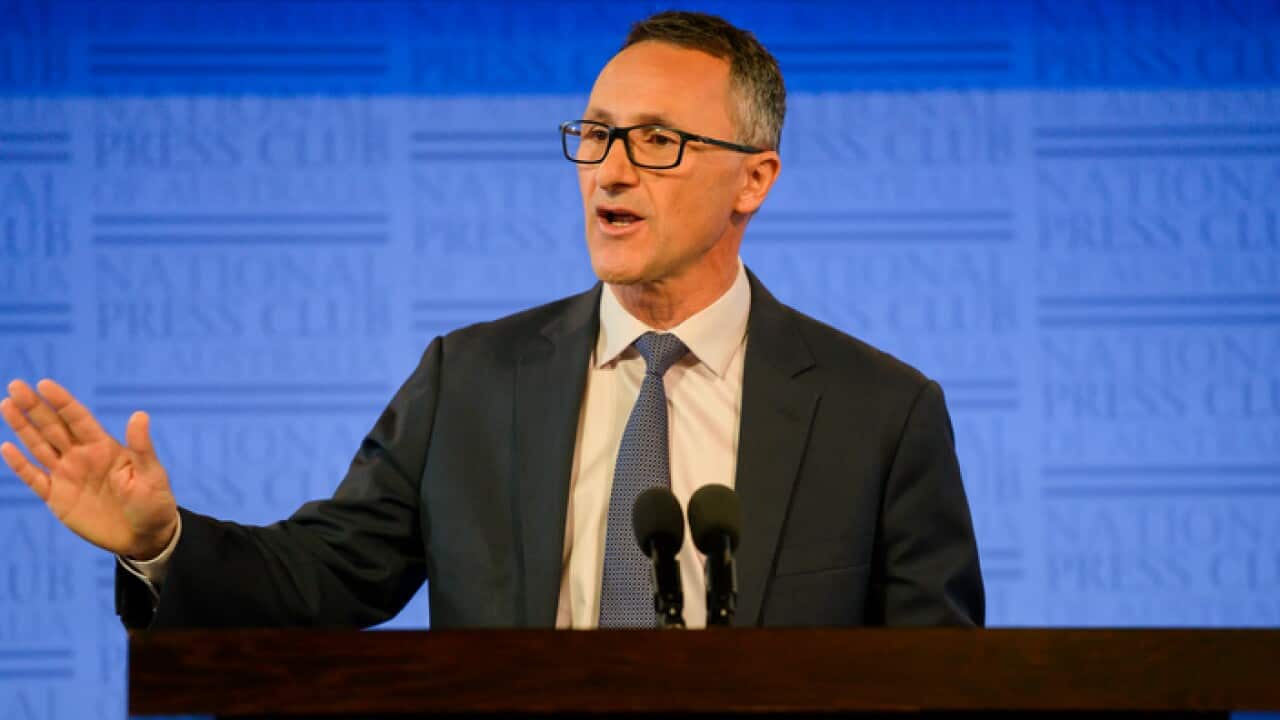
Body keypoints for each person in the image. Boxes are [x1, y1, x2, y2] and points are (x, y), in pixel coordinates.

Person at [0, 11, 983, 630]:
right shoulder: (468, 381)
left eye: (656, 140)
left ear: (752, 180)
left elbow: (938, 685)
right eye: (596, 135)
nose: (610, 168)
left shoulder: (879, 413)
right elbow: (325, 579)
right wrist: (162, 538)